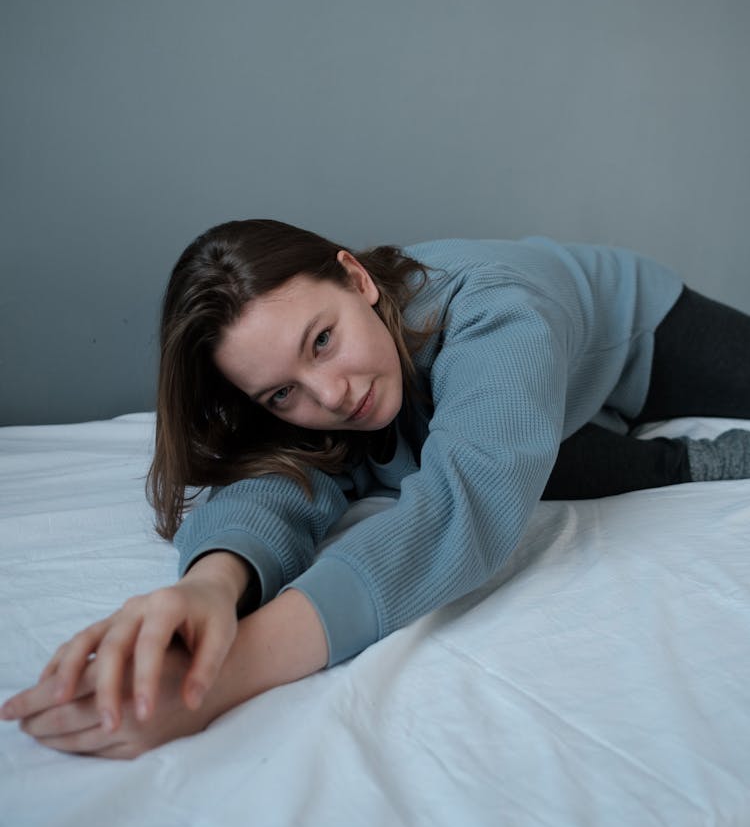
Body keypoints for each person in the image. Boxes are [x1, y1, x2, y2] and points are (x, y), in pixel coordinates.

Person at [3, 219, 750, 758]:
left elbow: (467, 506)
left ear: (356, 277)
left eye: (322, 339)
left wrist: (222, 675)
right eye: (281, 393)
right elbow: (278, 477)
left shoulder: (495, 308)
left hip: (638, 333)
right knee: (501, 446)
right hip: (526, 409)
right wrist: (210, 585)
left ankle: (694, 464)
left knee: (494, 450)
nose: (330, 394)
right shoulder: (329, 397)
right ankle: (668, 462)